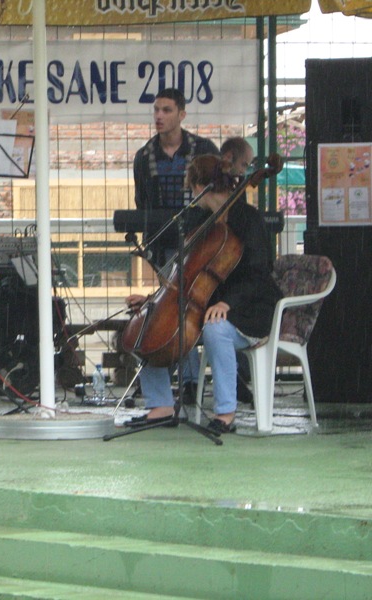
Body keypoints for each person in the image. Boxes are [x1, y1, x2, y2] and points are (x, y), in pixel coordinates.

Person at [125, 154, 282, 435]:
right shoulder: (200, 220)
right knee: (149, 323)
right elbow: (189, 273)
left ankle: (225, 413)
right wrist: (155, 299)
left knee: (216, 330)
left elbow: (259, 273)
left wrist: (228, 303)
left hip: (250, 309)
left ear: (199, 187)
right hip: (203, 304)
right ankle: (160, 406)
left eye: (192, 188)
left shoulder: (248, 220)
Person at [132, 88, 219, 402]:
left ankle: (193, 379)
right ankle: (189, 379)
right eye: (156, 109)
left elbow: (217, 194)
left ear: (182, 114)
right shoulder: (144, 156)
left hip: (202, 242)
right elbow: (142, 204)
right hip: (165, 245)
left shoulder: (204, 149)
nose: (159, 116)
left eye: (166, 110)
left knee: (192, 309)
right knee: (175, 311)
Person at [219, 136, 256, 405]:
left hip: (237, 290)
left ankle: (234, 384)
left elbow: (255, 271)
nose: (244, 172)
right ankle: (188, 382)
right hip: (223, 287)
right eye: (243, 164)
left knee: (219, 325)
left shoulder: (243, 212)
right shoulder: (217, 190)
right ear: (229, 158)